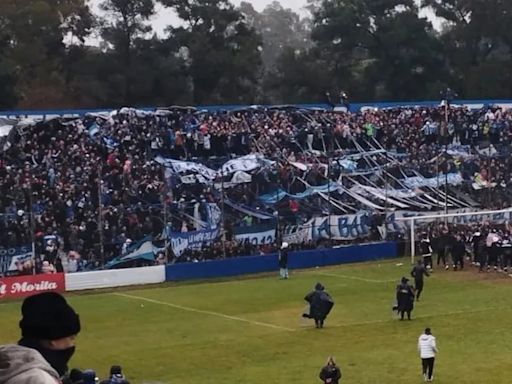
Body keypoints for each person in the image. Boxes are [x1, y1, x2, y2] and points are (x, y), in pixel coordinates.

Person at [0, 292, 81, 384]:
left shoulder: (9, 363)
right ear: (53, 340)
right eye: (71, 338)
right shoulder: (39, 379)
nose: (72, 344)